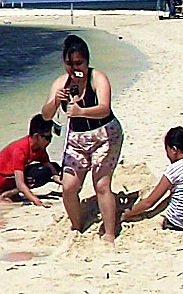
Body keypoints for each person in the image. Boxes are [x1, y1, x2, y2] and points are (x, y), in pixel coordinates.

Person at [41, 33, 122, 239]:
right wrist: (55, 102)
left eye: (79, 63)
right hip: (77, 140)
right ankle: (77, 226)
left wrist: (82, 112)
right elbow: (46, 116)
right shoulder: (61, 83)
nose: (75, 69)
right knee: (68, 187)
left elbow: (105, 108)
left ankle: (110, 232)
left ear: (87, 61)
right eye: (69, 64)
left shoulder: (98, 78)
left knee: (101, 185)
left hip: (105, 135)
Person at [117, 126, 183, 232]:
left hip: (177, 223)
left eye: (167, 150)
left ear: (174, 150)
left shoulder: (175, 169)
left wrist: (127, 214)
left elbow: (149, 203)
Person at [0, 116, 60, 204]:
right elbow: (20, 183)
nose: (50, 141)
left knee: (54, 167)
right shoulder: (20, 150)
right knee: (41, 174)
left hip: (11, 175)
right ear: (36, 136)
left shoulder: (38, 148)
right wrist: (37, 201)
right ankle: (5, 195)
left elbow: (48, 164)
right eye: (47, 138)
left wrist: (60, 180)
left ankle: (14, 194)